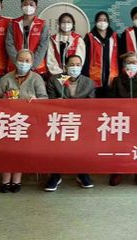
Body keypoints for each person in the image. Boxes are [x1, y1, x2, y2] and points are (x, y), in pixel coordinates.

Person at [0, 49, 48, 193]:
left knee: (20, 151)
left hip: (28, 122)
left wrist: (36, 100)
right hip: (8, 121)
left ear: (32, 62)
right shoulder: (7, 78)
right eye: (21, 60)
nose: (23, 63)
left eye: (27, 61)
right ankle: (5, 181)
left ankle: (16, 180)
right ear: (16, 61)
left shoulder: (36, 78)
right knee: (6, 151)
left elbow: (44, 98)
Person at [45, 54, 96, 192]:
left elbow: (92, 106)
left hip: (81, 122)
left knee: (83, 143)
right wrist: (56, 103)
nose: (75, 67)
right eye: (72, 64)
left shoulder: (89, 83)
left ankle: (82, 172)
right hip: (59, 120)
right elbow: (48, 102)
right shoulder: (55, 80)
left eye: (78, 65)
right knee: (56, 145)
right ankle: (56, 174)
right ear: (65, 66)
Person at [108, 52, 137, 186]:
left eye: (134, 62)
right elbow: (110, 102)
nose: (132, 65)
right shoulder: (117, 81)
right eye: (129, 62)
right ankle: (118, 170)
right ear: (124, 65)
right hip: (121, 119)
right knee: (119, 145)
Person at [6, 0, 49, 76]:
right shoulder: (13, 23)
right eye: (25, 4)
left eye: (31, 4)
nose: (28, 6)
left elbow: (43, 45)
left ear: (36, 7)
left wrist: (32, 64)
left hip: (36, 68)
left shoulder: (42, 25)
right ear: (21, 6)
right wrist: (18, 63)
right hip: (16, 66)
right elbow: (9, 44)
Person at [83, 11, 120, 97]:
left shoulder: (114, 37)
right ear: (96, 22)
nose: (102, 22)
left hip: (112, 78)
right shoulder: (89, 37)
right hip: (93, 78)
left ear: (108, 22)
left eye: (105, 20)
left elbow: (119, 57)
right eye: (100, 20)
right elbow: (85, 58)